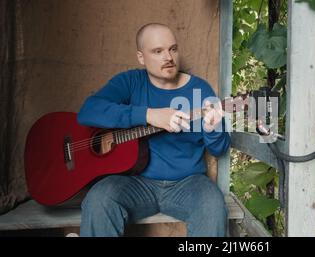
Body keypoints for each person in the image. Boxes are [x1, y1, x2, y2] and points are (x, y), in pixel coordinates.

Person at [76, 23, 230, 237]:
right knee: (99, 197)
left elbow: (219, 149)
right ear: (141, 57)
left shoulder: (200, 89)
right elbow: (88, 112)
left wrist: (213, 129)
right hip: (134, 182)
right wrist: (148, 115)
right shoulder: (129, 82)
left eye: (173, 49)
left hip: (188, 183)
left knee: (212, 205)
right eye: (158, 51)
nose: (169, 57)